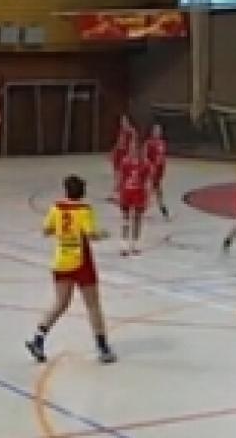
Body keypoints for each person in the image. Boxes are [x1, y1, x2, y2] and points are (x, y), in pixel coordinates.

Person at [25, 175, 116, 365]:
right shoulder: (84, 210)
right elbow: (91, 234)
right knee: (93, 305)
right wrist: (104, 234)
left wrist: (62, 232)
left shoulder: (56, 208)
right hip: (81, 260)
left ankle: (38, 339)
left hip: (61, 260)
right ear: (82, 193)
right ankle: (103, 347)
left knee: (60, 303)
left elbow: (46, 230)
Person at [118, 137, 151, 256]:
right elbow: (121, 178)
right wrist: (119, 193)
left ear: (139, 149)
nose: (132, 150)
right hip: (127, 193)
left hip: (139, 193)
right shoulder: (125, 161)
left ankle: (136, 244)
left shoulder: (145, 163)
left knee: (137, 219)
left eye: (134, 148)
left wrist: (148, 196)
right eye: (130, 147)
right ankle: (124, 245)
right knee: (125, 218)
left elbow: (148, 181)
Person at [144, 123, 170, 219]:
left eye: (159, 130)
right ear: (152, 132)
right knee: (151, 188)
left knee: (157, 188)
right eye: (156, 130)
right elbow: (145, 157)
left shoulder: (162, 143)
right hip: (152, 169)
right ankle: (145, 207)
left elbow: (162, 156)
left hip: (159, 170)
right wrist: (150, 167)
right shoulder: (149, 143)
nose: (158, 132)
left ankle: (161, 206)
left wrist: (162, 168)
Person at [109, 114, 136, 200]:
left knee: (123, 175)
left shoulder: (131, 131)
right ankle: (115, 194)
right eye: (121, 121)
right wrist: (113, 152)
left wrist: (130, 156)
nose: (122, 122)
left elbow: (132, 144)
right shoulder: (121, 130)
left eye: (124, 120)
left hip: (125, 153)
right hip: (119, 153)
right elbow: (118, 142)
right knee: (117, 174)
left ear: (128, 121)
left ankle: (121, 194)